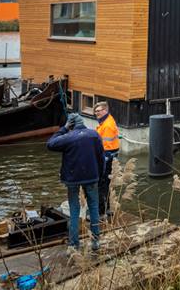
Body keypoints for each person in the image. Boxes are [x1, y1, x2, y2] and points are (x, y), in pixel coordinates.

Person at [47, 113, 105, 253]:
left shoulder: (68, 137)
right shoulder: (94, 135)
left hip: (72, 179)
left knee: (74, 209)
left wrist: (64, 129)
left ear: (71, 125)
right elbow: (101, 157)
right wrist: (100, 175)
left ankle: (74, 244)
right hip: (92, 177)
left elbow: (50, 144)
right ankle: (95, 242)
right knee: (93, 207)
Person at [93, 101, 120, 218]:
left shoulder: (107, 125)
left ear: (105, 110)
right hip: (109, 157)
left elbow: (107, 146)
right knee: (106, 184)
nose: (96, 113)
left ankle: (101, 212)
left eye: (99, 111)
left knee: (101, 184)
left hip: (106, 158)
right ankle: (107, 209)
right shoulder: (106, 121)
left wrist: (101, 160)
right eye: (95, 111)